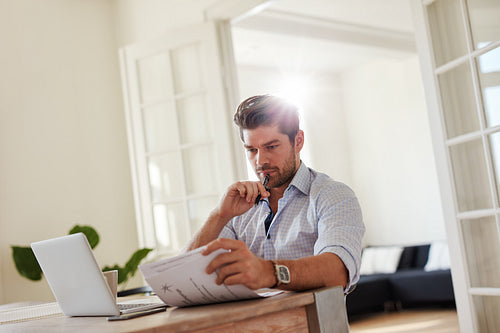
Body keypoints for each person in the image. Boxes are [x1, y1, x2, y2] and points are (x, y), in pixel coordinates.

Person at [187, 94, 365, 293]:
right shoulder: (239, 207)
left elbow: (338, 272)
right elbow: (183, 276)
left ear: (298, 141)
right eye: (252, 149)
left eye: (271, 146)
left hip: (311, 323)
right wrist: (219, 215)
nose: (260, 161)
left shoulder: (333, 196)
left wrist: (268, 272)